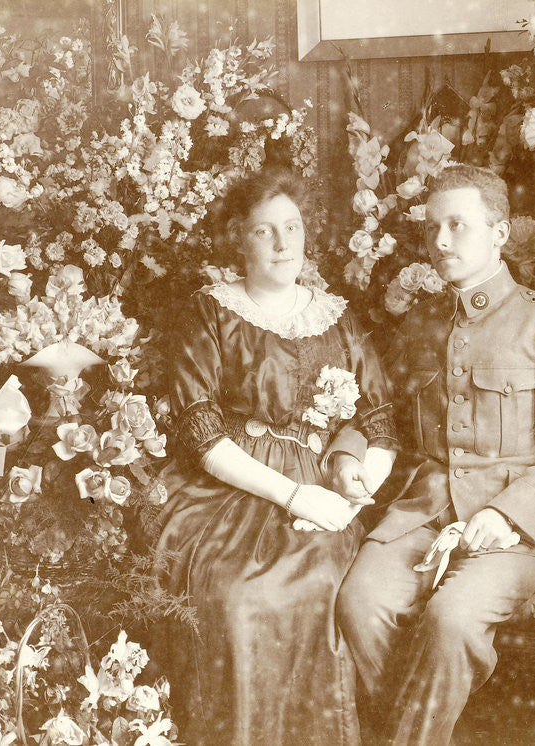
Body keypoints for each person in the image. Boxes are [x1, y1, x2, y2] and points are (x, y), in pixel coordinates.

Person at [335, 164, 535, 745]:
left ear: (499, 233)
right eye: (433, 227)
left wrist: (504, 516)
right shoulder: (424, 322)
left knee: (451, 620)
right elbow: (382, 414)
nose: (440, 242)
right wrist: (350, 450)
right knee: (358, 601)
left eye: (458, 225)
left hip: (522, 530)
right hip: (426, 511)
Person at [153, 166, 396, 746]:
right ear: (238, 237)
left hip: (325, 487)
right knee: (237, 598)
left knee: (328, 590)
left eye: (292, 227)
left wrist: (359, 483)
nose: (284, 244)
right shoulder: (210, 312)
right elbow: (201, 432)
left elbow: (378, 417)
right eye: (265, 231)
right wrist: (291, 493)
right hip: (232, 487)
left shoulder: (337, 315)